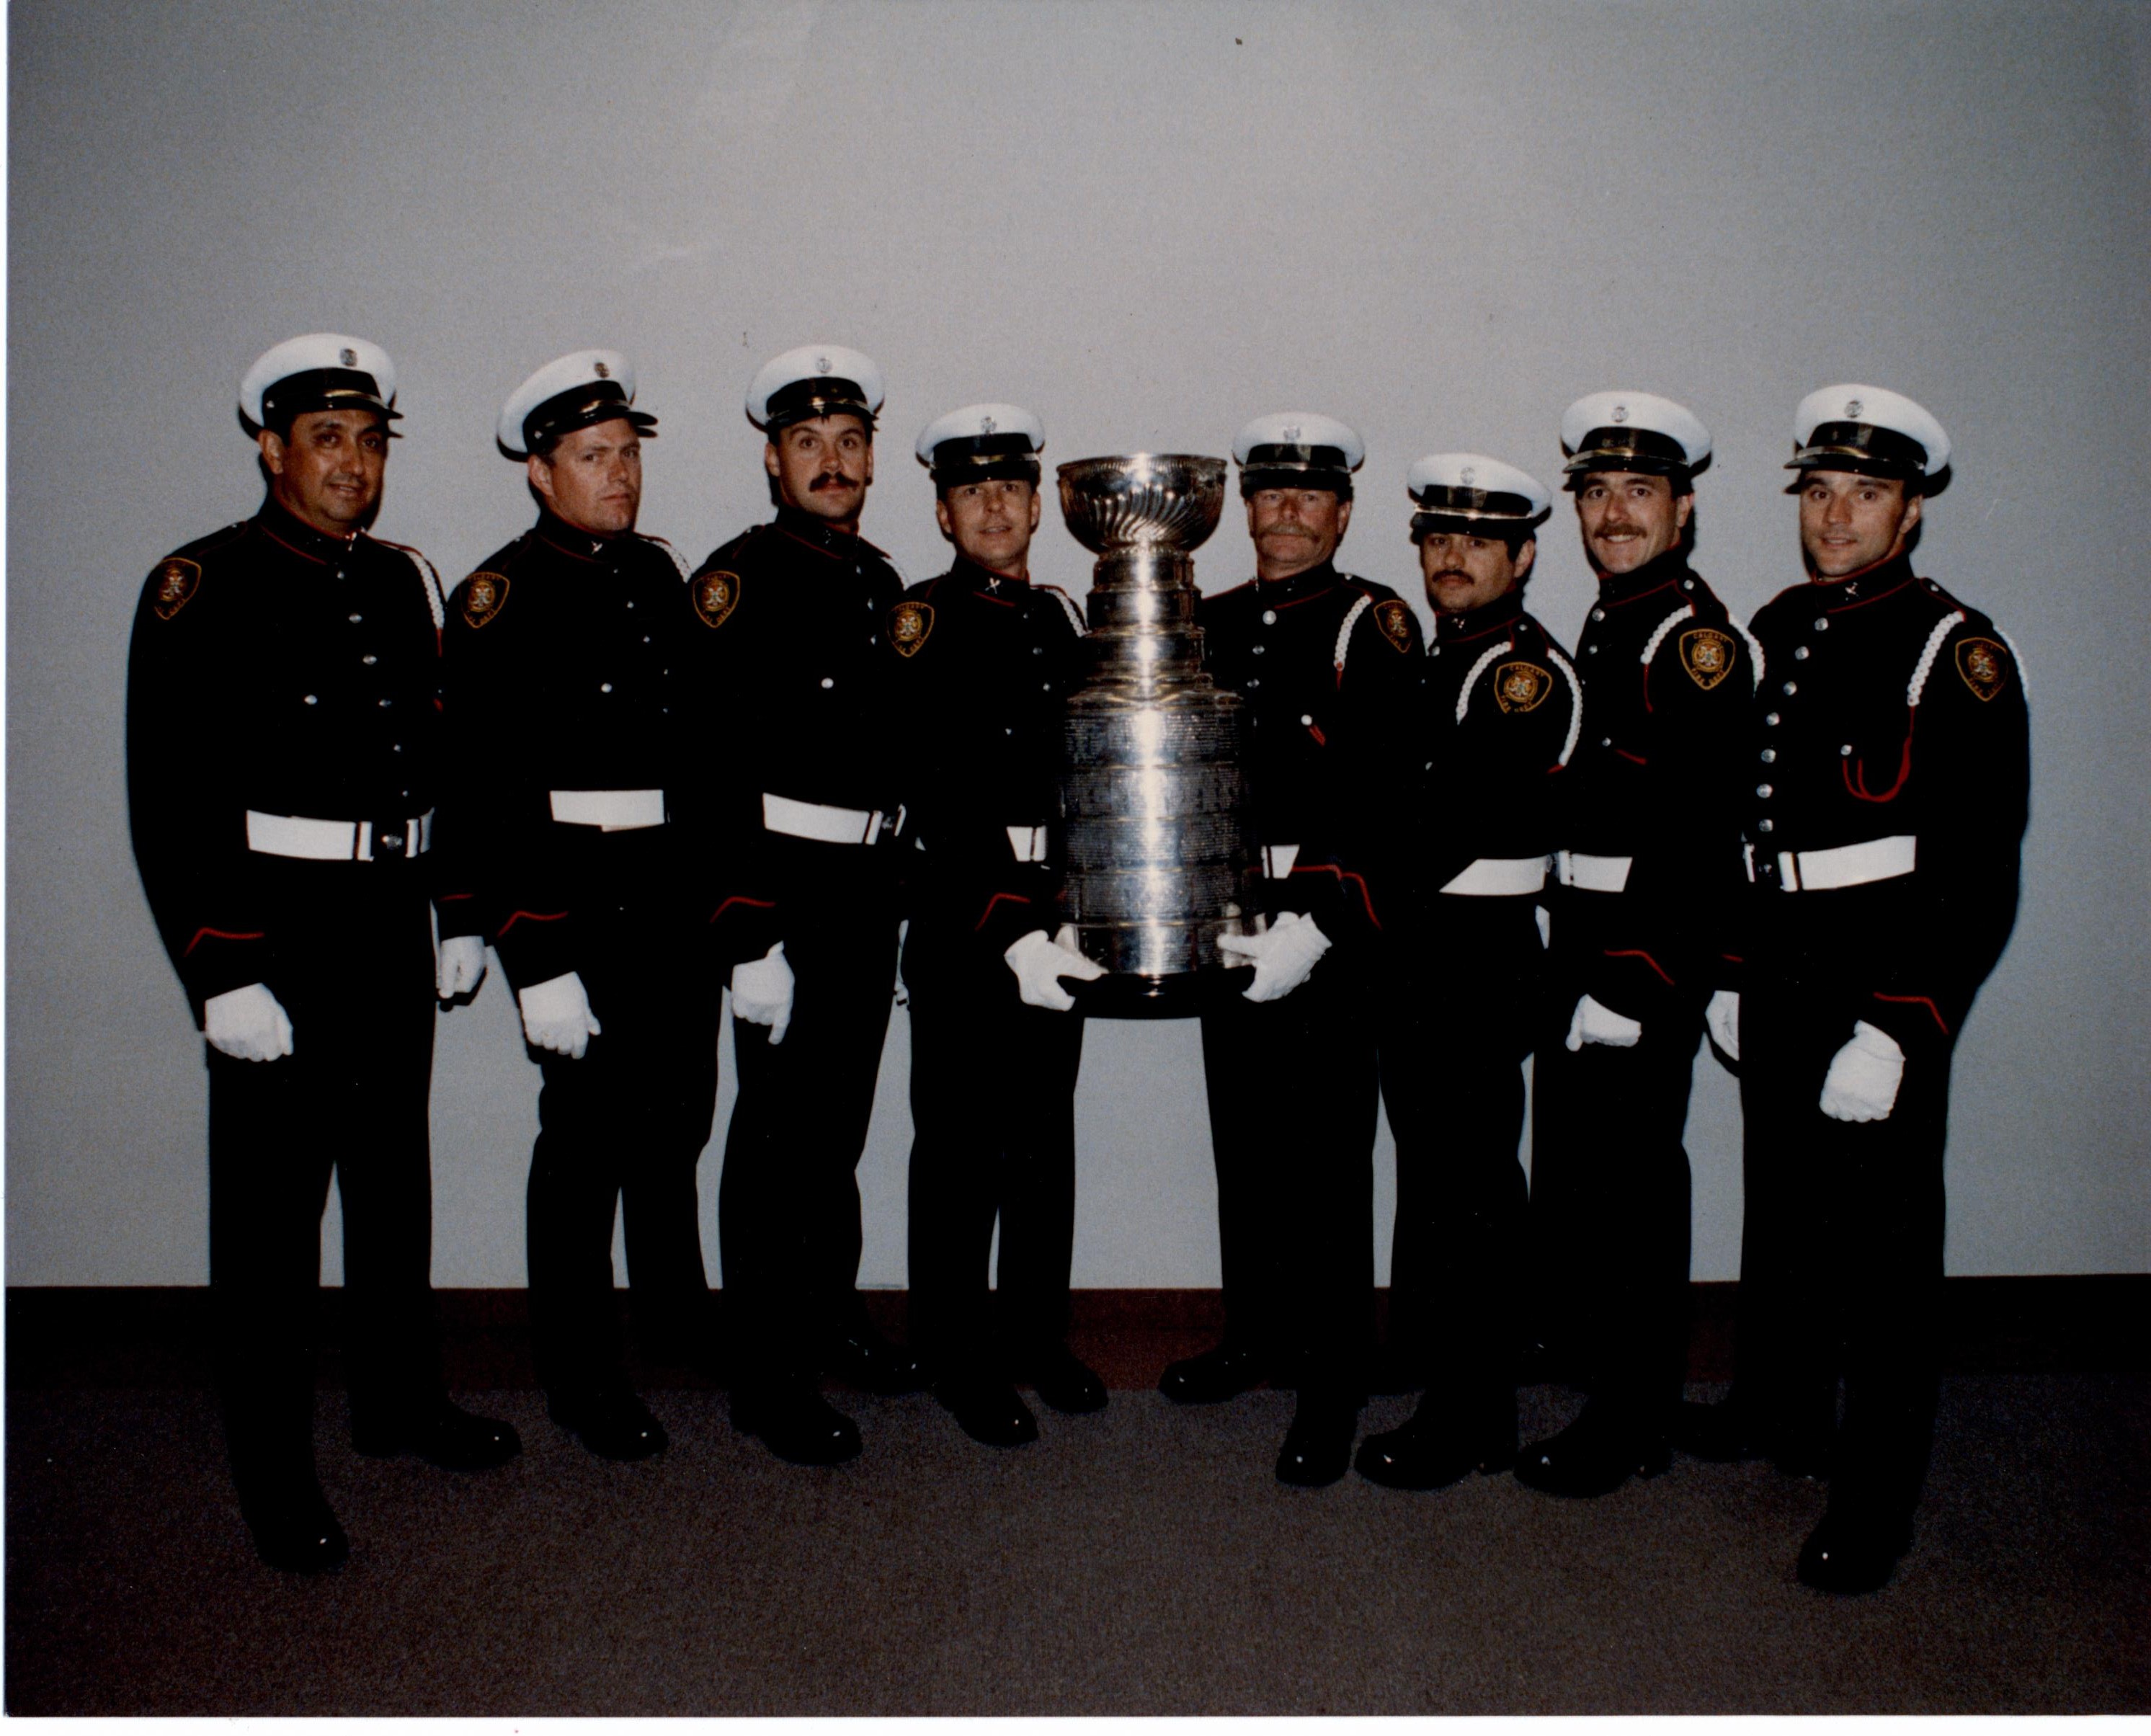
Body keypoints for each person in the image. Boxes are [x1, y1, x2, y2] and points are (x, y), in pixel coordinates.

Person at [126, 333, 518, 1573]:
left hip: (386, 920)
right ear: (270, 446)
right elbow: (169, 792)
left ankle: (398, 1404)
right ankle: (274, 1472)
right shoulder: (203, 581)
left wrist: (459, 910)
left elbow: (446, 767)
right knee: (269, 1222)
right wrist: (220, 966)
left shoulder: (403, 579)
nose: (354, 462)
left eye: (371, 439)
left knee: (392, 1185)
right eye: (328, 438)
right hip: (275, 934)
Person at [1698, 386, 2027, 1592]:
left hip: (1882, 972)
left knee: (1885, 1254)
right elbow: (1750, 823)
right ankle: (1775, 1413)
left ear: (1910, 512)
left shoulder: (1955, 649)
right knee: (1778, 1211)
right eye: (1819, 491)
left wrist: (1902, 1020)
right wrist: (1734, 968)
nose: (1835, 517)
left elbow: (1979, 867)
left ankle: (1873, 1500)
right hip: (1779, 958)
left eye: (1866, 494)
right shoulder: (1777, 625)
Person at [438, 350, 713, 1461]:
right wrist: (532, 951)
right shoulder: (499, 596)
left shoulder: (657, 574)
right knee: (584, 1139)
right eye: (593, 457)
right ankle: (578, 1370)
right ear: (540, 472)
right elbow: (480, 784)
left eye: (630, 454)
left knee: (676, 1118)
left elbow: (695, 747)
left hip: (669, 887)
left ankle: (676, 1319)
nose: (619, 476)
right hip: (573, 897)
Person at [1164, 412, 1424, 1487]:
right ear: (1244, 505)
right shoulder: (1206, 619)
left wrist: (1316, 922)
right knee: (1246, 1140)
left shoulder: (1374, 623)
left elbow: (1384, 784)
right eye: (1267, 492)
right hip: (1229, 914)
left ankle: (1331, 1379)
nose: (1284, 511)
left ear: (1342, 512)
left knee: (1323, 1159)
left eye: (1308, 496)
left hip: (1327, 927)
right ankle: (1255, 1334)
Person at [682, 344, 924, 1466]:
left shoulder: (879, 579)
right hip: (779, 891)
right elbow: (707, 762)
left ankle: (829, 1316)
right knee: (774, 1136)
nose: (833, 461)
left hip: (865, 892)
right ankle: (766, 1373)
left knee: (836, 1129)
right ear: (772, 457)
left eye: (850, 440)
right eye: (808, 443)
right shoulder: (736, 581)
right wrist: (744, 928)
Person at [1516, 391, 1753, 1498]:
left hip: (1639, 942)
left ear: (1684, 506)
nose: (1613, 512)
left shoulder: (1692, 640)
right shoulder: (1616, 615)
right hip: (1584, 927)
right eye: (1596, 492)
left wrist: (1635, 974)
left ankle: (1633, 1416)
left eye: (1639, 492)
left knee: (1633, 1180)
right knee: (1580, 1168)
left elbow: (1699, 834)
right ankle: (1596, 1357)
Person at [1346, 454, 1582, 1491]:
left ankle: (1472, 1416)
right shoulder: (1442, 659)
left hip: (1476, 955)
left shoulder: (1519, 673)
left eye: (1477, 540)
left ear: (1523, 555)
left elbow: (1447, 825)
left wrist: (1330, 907)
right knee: (1438, 1180)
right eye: (1436, 537)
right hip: (1416, 948)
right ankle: (1451, 1372)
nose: (1450, 554)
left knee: (1472, 1189)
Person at [886, 402, 1107, 1448]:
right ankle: (955, 1353)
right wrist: (1011, 926)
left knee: (1041, 1137)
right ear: (941, 510)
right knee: (961, 1140)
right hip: (967, 913)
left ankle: (1035, 1337)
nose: (992, 505)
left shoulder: (1061, 618)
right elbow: (938, 788)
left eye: (1009, 488)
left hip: (1057, 915)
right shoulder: (919, 621)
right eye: (970, 490)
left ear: (1035, 505)